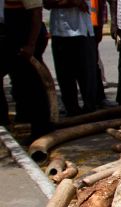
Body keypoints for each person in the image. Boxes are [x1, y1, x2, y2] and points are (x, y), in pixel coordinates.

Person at [1, 0, 52, 140]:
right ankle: (23, 122)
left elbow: (36, 13)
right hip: (11, 37)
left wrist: (30, 44)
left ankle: (41, 128)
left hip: (26, 38)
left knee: (32, 85)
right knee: (20, 83)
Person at [45, 0, 98, 116]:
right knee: (64, 76)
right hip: (59, 32)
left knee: (86, 75)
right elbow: (47, 3)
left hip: (81, 32)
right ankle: (72, 110)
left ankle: (89, 110)